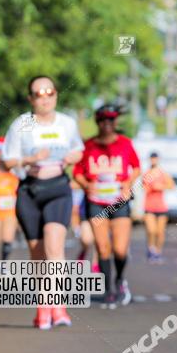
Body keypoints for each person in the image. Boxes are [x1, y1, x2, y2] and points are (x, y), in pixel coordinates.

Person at [2, 76, 84, 330]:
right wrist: (30, 159)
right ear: (31, 99)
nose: (45, 97)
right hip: (30, 191)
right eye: (38, 93)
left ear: (56, 95)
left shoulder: (67, 123)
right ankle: (43, 309)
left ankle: (58, 308)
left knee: (54, 248)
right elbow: (8, 161)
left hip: (58, 188)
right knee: (37, 255)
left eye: (49, 92)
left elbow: (79, 149)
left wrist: (73, 156)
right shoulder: (21, 125)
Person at [73, 105, 141, 309]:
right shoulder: (88, 146)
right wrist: (87, 185)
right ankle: (108, 289)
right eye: (103, 120)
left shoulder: (125, 144)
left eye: (111, 120)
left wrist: (128, 183)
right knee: (103, 247)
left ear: (116, 122)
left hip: (119, 201)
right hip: (96, 202)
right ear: (97, 122)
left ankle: (120, 279)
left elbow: (136, 168)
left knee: (120, 250)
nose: (107, 124)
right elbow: (77, 173)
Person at [142, 152, 175, 264]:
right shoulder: (147, 174)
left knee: (160, 233)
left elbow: (171, 185)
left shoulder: (163, 173)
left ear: (158, 159)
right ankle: (151, 249)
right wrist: (152, 187)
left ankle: (157, 252)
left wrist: (161, 186)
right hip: (149, 206)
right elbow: (145, 188)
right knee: (151, 230)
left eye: (155, 158)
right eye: (152, 158)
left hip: (161, 207)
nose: (153, 160)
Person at [70, 179, 98, 271]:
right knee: (86, 239)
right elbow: (73, 183)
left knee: (99, 240)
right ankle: (84, 251)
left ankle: (96, 264)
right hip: (87, 207)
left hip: (106, 207)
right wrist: (87, 184)